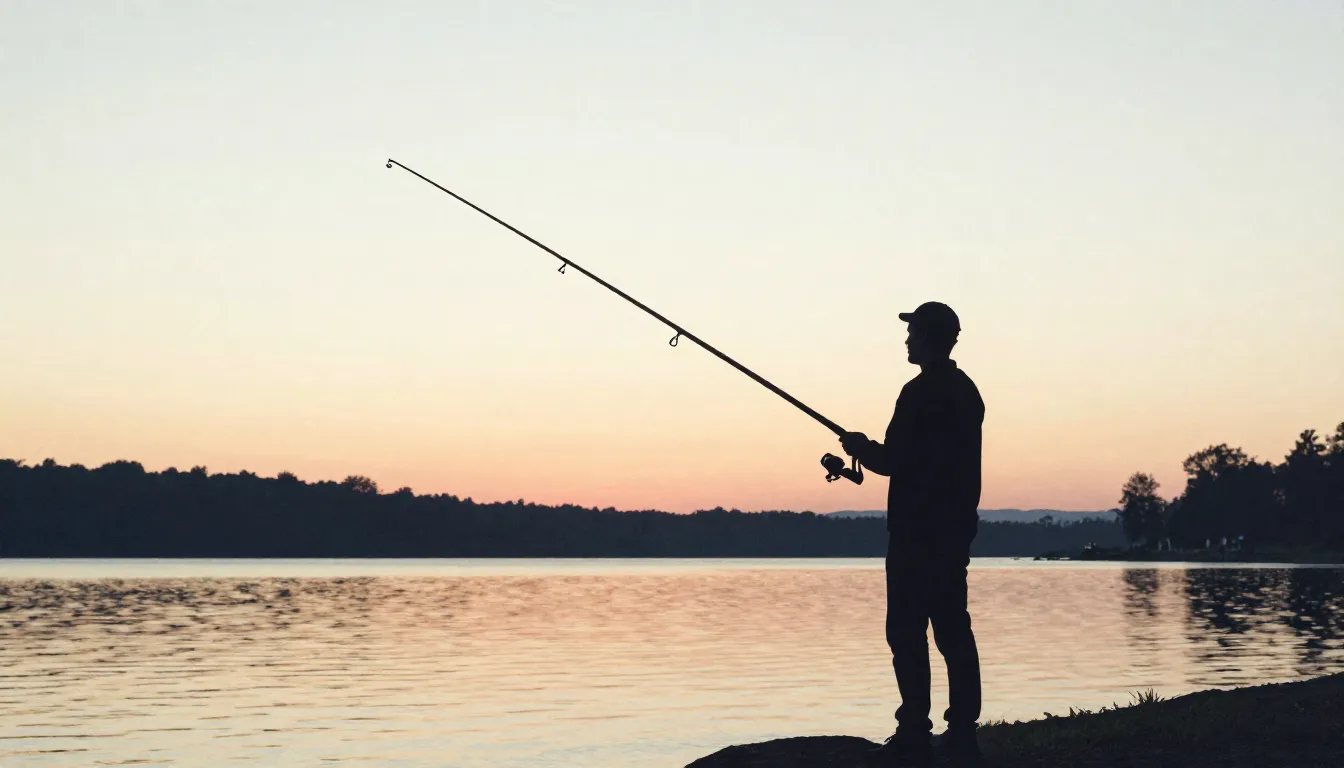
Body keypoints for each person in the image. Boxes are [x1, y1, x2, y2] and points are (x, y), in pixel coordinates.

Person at [839, 301, 985, 766]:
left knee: (906, 631)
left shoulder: (919, 392)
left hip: (915, 533)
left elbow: (893, 460)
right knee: (952, 629)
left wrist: (860, 447)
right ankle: (962, 732)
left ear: (927, 338)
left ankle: (914, 732)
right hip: (954, 532)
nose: (906, 339)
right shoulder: (967, 391)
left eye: (912, 332)